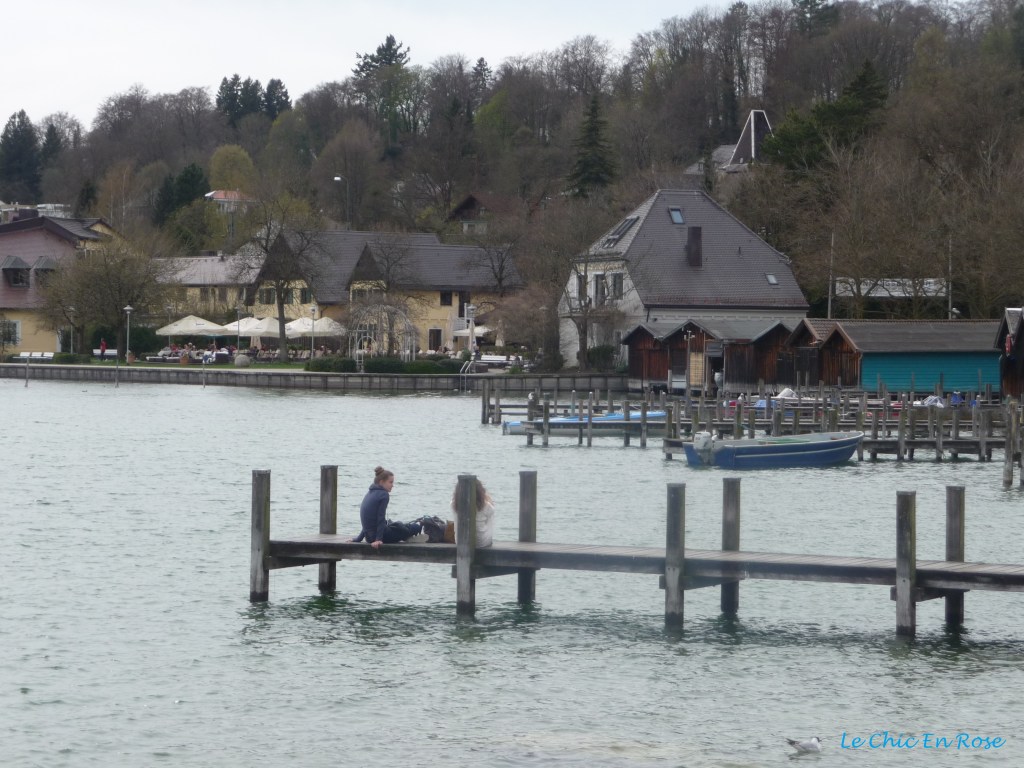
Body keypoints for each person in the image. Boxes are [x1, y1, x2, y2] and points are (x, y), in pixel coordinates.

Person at [351, 466, 422, 549]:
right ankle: (410, 535)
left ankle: (405, 536)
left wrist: (358, 539)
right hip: (380, 536)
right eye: (390, 482)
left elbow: (368, 521)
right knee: (415, 527)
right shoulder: (384, 495)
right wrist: (378, 539)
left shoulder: (369, 493)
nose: (392, 485)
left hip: (369, 538)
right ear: (381, 482)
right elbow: (380, 518)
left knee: (399, 526)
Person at [451, 477, 495, 548]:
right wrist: (488, 499)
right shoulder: (486, 506)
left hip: (460, 541)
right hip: (482, 543)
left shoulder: (453, 504)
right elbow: (492, 512)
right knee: (490, 517)